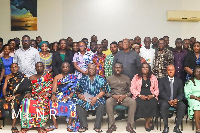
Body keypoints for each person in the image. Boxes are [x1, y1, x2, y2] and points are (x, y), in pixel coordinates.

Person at [19, 62, 53, 133]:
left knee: (41, 102)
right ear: (35, 68)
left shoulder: (48, 76)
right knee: (26, 102)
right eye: (37, 67)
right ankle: (25, 126)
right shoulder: (32, 77)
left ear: (43, 67)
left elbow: (51, 87)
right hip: (34, 94)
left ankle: (41, 126)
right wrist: (28, 92)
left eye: (40, 66)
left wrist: (46, 92)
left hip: (45, 95)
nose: (39, 68)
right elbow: (28, 88)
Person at [76, 63, 110, 132]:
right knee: (78, 104)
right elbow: (77, 91)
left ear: (96, 70)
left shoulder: (101, 78)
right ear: (87, 70)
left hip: (97, 97)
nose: (91, 70)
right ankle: (84, 125)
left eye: (93, 69)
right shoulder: (82, 79)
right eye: (90, 69)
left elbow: (104, 91)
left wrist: (96, 98)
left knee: (102, 104)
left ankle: (97, 125)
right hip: (86, 98)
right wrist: (80, 96)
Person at [0, 63, 31, 133]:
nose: (14, 69)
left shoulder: (23, 77)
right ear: (10, 69)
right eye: (12, 67)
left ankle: (13, 125)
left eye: (15, 67)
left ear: (18, 68)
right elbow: (4, 89)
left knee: (14, 102)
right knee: (1, 101)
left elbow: (25, 89)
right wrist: (5, 96)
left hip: (19, 95)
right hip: (8, 95)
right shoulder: (8, 77)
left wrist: (13, 97)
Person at [106, 62, 136, 133]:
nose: (117, 69)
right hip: (113, 98)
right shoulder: (109, 78)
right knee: (108, 102)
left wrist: (124, 96)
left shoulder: (126, 78)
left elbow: (130, 91)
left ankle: (129, 125)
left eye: (119, 67)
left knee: (133, 102)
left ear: (122, 69)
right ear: (113, 68)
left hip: (124, 97)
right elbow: (106, 92)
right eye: (116, 67)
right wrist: (113, 96)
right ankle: (112, 125)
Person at [49, 62, 79, 132]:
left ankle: (69, 124)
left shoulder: (73, 77)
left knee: (72, 103)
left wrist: (68, 97)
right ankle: (55, 124)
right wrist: (53, 95)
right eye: (64, 67)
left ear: (69, 68)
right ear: (61, 68)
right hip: (59, 94)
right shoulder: (57, 77)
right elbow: (54, 87)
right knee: (52, 102)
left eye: (67, 67)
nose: (65, 68)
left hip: (70, 95)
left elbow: (74, 90)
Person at [131, 62, 159, 131]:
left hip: (151, 96)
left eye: (147, 67)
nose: (145, 69)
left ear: (149, 69)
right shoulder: (136, 77)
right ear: (141, 68)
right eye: (143, 67)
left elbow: (157, 89)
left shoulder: (153, 77)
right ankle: (148, 122)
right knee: (141, 104)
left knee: (153, 103)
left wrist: (152, 96)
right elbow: (132, 88)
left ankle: (147, 122)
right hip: (139, 96)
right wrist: (140, 95)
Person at [159, 65, 186, 133]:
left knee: (183, 106)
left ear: (175, 71)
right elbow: (161, 92)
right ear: (167, 71)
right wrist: (169, 100)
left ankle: (177, 127)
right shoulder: (162, 80)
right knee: (163, 106)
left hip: (176, 100)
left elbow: (181, 93)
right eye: (169, 70)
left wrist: (176, 100)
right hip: (166, 100)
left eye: (172, 70)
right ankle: (166, 126)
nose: (170, 71)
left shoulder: (179, 81)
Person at [184, 65, 200, 133]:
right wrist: (196, 98)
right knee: (196, 105)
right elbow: (187, 94)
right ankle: (197, 126)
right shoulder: (190, 82)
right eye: (197, 71)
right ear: (194, 73)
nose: (198, 73)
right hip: (193, 99)